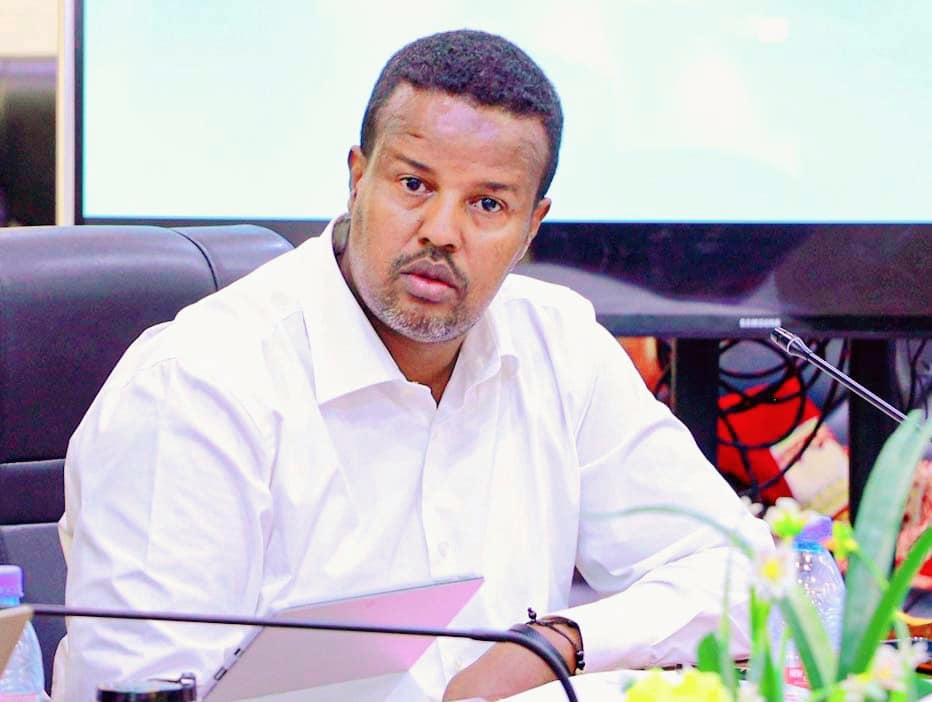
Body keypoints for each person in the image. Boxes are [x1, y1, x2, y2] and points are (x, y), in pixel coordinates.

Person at [53, 29, 773, 702]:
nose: (441, 232)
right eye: (414, 185)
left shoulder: (561, 346)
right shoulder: (195, 385)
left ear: (531, 227)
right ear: (357, 178)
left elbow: (747, 579)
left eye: (487, 203)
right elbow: (137, 688)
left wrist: (556, 643)